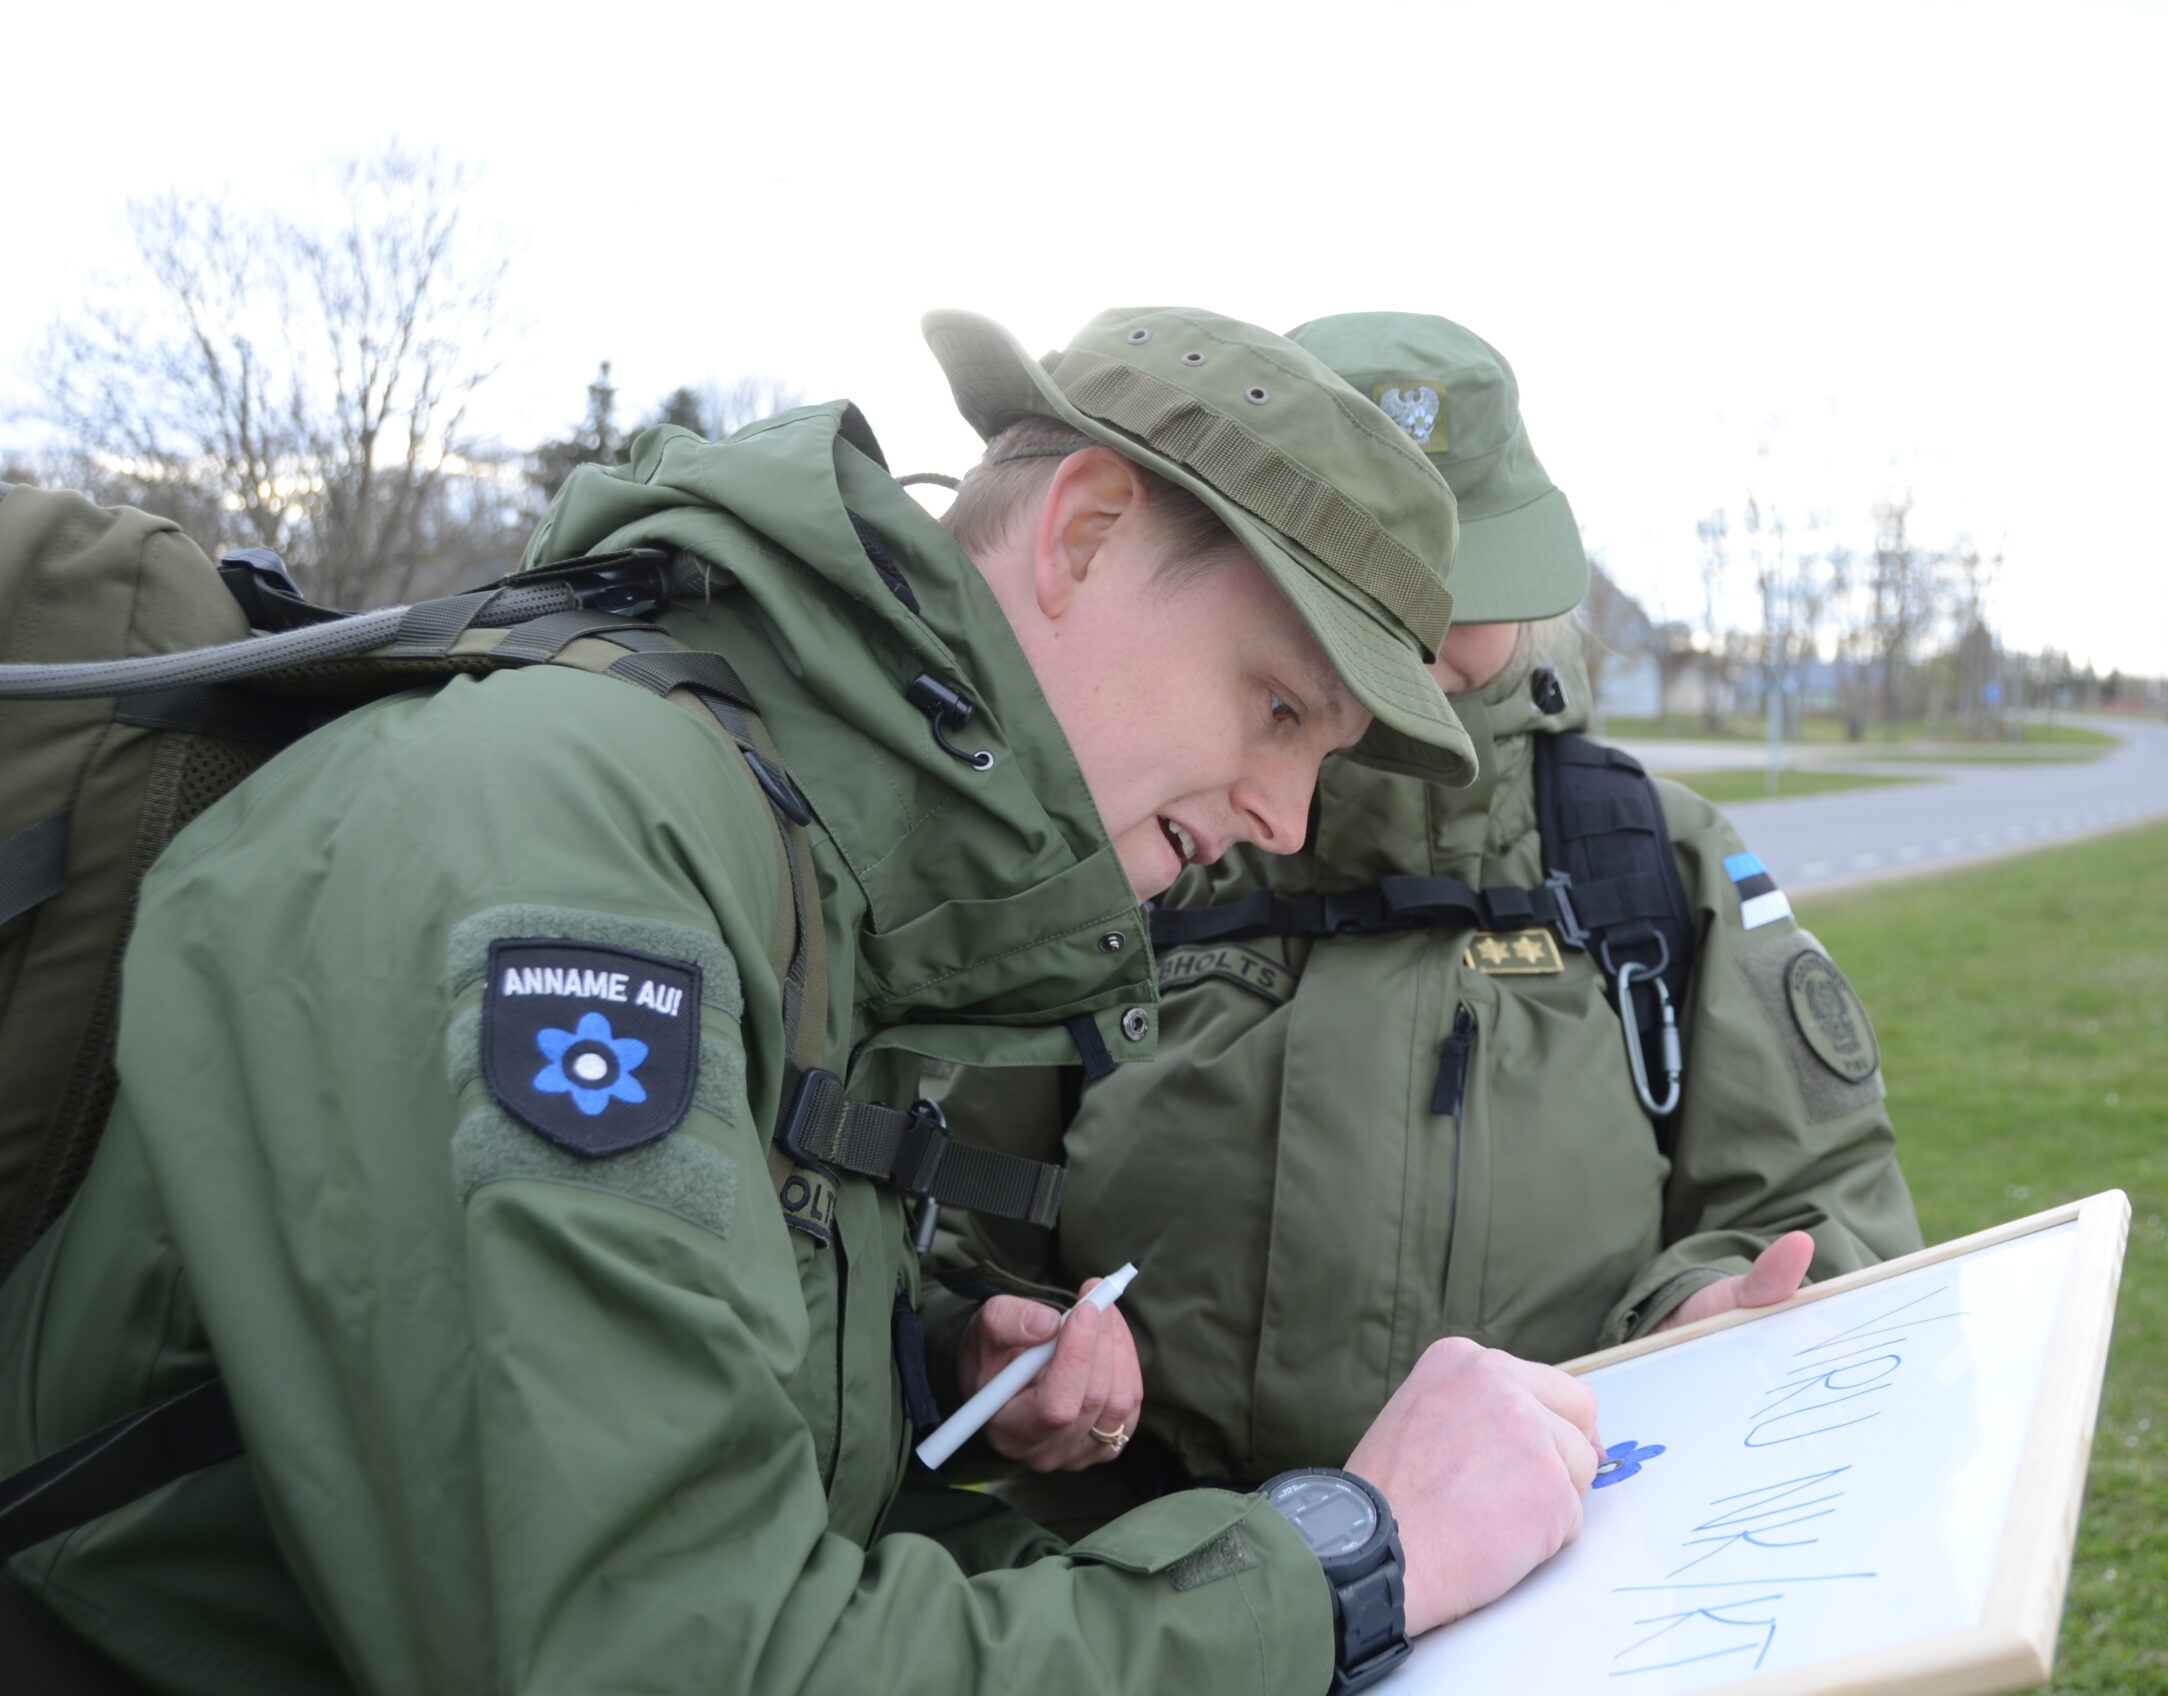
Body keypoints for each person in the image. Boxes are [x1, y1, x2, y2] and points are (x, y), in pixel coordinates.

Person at [0, 307, 1604, 1696]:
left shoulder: (827, 874)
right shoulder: (574, 839)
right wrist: (1348, 1560)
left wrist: (925, 1371)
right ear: (1085, 532)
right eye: (1279, 710)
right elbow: (666, 1650)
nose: (1287, 820)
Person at [932, 313, 1924, 1517]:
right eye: (1383, 578)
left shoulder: (1653, 860)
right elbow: (949, 1227)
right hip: (1140, 1580)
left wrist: (1700, 1323)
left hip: (1551, 1559)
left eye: (1471, 578)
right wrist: (991, 1354)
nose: (1427, 626)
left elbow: (1823, 1202)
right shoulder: (1131, 829)